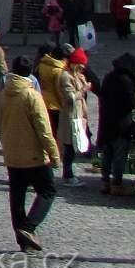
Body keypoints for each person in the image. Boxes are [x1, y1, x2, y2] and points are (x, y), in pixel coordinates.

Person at [0, 55, 60, 252]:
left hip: (12, 154)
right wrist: (54, 154)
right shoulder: (32, 95)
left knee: (17, 197)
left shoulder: (2, 94)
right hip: (33, 156)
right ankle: (28, 227)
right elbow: (44, 129)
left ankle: (23, 242)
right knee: (48, 190)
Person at [97, 52, 135, 196]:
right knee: (119, 155)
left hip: (106, 122)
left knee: (107, 154)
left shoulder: (109, 77)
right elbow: (131, 103)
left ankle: (105, 182)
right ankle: (117, 184)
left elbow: (101, 95)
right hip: (121, 125)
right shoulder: (127, 81)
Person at [56, 48, 91, 184]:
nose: (83, 68)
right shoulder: (66, 76)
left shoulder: (76, 74)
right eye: (81, 65)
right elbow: (70, 97)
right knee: (69, 147)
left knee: (73, 146)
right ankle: (68, 176)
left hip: (77, 115)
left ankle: (69, 174)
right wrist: (83, 89)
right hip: (70, 116)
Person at [36, 45, 67, 146]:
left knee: (46, 128)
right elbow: (58, 90)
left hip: (42, 99)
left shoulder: (42, 64)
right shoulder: (58, 70)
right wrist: (63, 103)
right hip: (54, 104)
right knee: (55, 131)